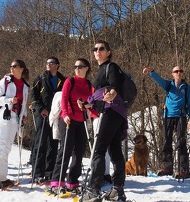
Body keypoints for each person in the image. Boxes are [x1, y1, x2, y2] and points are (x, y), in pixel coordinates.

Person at [82, 40, 128, 202]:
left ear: (108, 52)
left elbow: (114, 85)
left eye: (101, 48)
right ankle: (118, 190)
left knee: (99, 149)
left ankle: (93, 190)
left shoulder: (111, 67)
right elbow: (101, 93)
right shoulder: (101, 69)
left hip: (112, 109)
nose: (98, 51)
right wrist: (88, 103)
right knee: (115, 150)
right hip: (115, 112)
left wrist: (113, 93)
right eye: (95, 49)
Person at [48, 58, 95, 194]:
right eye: (75, 66)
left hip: (81, 120)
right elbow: (64, 98)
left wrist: (91, 109)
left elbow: (90, 101)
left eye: (80, 66)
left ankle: (72, 181)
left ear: (86, 68)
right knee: (65, 149)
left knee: (79, 151)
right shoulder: (70, 81)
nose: (77, 69)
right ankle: (57, 181)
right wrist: (66, 114)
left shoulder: (88, 84)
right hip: (67, 119)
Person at [0, 59, 29, 188]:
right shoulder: (6, 81)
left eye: (15, 66)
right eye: (11, 66)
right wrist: (9, 100)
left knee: (7, 148)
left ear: (22, 69)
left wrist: (24, 116)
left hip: (15, 118)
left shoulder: (25, 86)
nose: (12, 68)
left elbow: (23, 105)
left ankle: (1, 177)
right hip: (3, 116)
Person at [142, 65, 190, 178]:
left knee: (181, 143)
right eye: (176, 71)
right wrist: (152, 71)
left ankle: (183, 170)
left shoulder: (186, 87)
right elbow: (159, 80)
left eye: (180, 71)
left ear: (183, 73)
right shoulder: (168, 85)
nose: (178, 73)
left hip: (181, 116)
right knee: (166, 142)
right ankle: (167, 168)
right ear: (172, 73)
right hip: (168, 116)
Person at [30, 56, 66, 183]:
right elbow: (33, 97)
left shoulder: (63, 80)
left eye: (51, 63)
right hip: (43, 115)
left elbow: (65, 97)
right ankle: (37, 172)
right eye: (47, 63)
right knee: (40, 143)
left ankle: (50, 172)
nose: (48, 65)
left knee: (54, 143)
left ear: (57, 65)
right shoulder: (40, 79)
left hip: (56, 115)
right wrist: (40, 109)